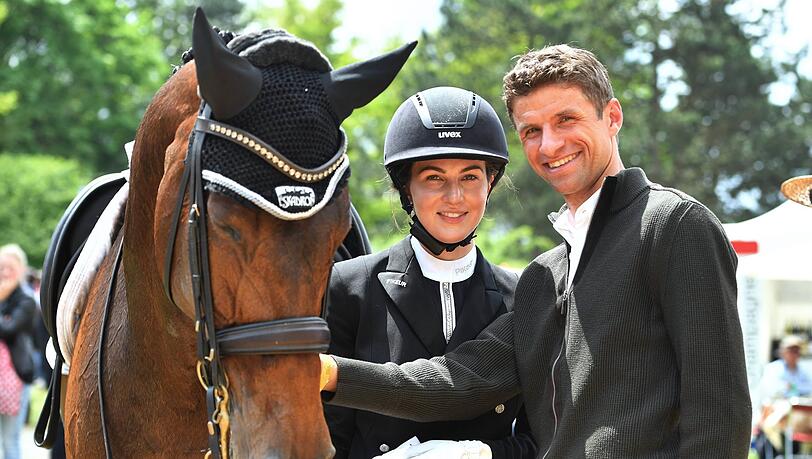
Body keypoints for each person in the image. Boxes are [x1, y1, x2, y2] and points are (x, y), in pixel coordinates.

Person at [320, 44, 752, 458]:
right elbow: (462, 380)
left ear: (612, 117)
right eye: (532, 131)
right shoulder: (547, 274)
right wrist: (326, 372)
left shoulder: (674, 224)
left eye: (566, 119)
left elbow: (719, 414)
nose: (549, 145)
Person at [324, 86, 536, 458]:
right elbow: (329, 439)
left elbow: (540, 440)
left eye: (470, 177)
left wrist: (477, 454)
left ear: (491, 183)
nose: (454, 197)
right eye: (434, 178)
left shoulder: (523, 296)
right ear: (407, 188)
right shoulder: (349, 288)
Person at [0, 244, 38, 459]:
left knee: (10, 440)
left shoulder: (26, 299)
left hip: (15, 376)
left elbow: (9, 328)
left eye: (9, 268)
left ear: (21, 269)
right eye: (1, 267)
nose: (4, 272)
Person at [754, 335, 812, 456]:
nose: (794, 354)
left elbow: (806, 390)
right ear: (782, 352)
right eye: (791, 350)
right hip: (778, 414)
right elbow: (771, 392)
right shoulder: (773, 369)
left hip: (799, 419)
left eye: (797, 350)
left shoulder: (805, 371)